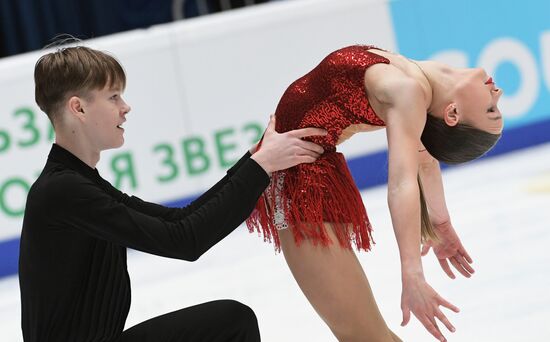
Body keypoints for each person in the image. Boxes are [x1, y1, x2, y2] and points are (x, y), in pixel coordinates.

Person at [18, 44, 327, 342]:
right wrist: (261, 166)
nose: (126, 108)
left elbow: (179, 221)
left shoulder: (77, 182)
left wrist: (255, 158)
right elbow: (185, 240)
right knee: (230, 323)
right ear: (79, 108)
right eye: (113, 97)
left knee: (228, 321)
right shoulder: (64, 191)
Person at [246, 45, 503, 342]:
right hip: (300, 174)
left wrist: (412, 272)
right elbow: (425, 160)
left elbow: (403, 183)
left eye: (491, 110)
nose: (497, 96)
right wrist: (441, 225)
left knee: (366, 338)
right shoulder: (418, 84)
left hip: (304, 185)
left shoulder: (408, 90)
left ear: (453, 113)